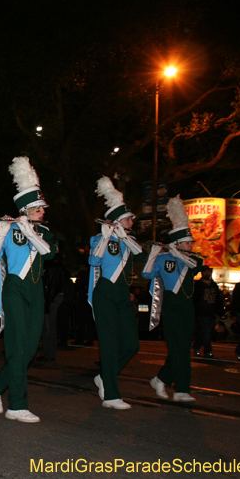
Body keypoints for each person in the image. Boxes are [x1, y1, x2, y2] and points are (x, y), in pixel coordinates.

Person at [0, 156, 57, 423]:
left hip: (36, 291)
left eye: (42, 209)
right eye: (38, 209)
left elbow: (48, 255)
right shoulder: (6, 228)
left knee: (29, 350)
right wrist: (2, 232)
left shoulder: (44, 233)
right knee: (16, 347)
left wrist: (30, 230)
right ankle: (17, 405)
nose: (43, 212)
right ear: (25, 208)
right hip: (14, 289)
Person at [88, 176, 147, 410]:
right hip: (105, 293)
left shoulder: (129, 240)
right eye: (128, 218)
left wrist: (122, 236)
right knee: (109, 345)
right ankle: (111, 394)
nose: (132, 220)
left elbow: (141, 255)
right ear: (118, 220)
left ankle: (105, 376)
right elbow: (94, 260)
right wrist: (106, 235)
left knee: (132, 344)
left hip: (123, 295)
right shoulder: (100, 237)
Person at [141, 196, 203, 402]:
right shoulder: (163, 258)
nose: (191, 245)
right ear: (178, 242)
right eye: (187, 242)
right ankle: (181, 390)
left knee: (183, 349)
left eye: (191, 242)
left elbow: (196, 266)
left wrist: (177, 252)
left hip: (188, 307)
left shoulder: (194, 259)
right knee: (178, 350)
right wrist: (153, 253)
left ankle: (160, 379)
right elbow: (147, 275)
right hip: (171, 307)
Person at [192, 266, 224, 358]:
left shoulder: (214, 285)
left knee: (206, 331)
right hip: (202, 312)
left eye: (208, 272)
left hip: (211, 312)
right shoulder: (198, 285)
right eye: (205, 271)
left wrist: (220, 311)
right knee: (206, 331)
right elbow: (195, 299)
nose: (207, 273)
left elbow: (218, 299)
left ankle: (196, 346)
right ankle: (207, 351)